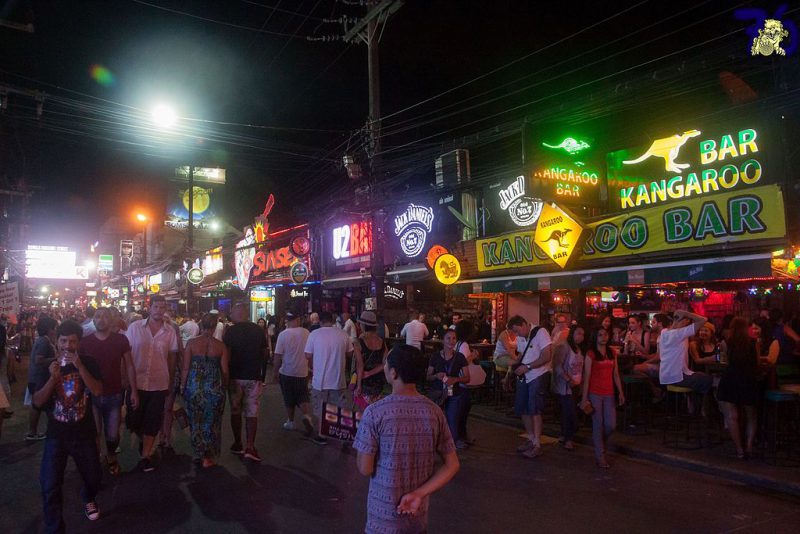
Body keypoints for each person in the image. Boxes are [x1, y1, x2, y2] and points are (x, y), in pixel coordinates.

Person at [354, 344, 460, 534]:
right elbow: (452, 465)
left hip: (382, 520)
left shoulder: (375, 412)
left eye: (386, 363)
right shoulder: (434, 411)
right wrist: (419, 493)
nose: (384, 367)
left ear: (393, 373)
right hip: (416, 517)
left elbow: (365, 468)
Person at [33, 320, 104, 530]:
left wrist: (80, 367)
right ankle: (55, 527)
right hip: (57, 435)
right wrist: (52, 379)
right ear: (57, 341)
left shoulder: (88, 362)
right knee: (49, 484)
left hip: (84, 433)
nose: (67, 346)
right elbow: (37, 402)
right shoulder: (49, 367)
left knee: (93, 477)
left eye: (72, 342)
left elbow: (98, 390)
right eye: (63, 341)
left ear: (79, 343)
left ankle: (88, 495)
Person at [78, 307, 137, 476]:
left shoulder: (120, 340)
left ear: (111, 320)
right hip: (91, 394)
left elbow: (130, 365)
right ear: (93, 320)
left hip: (114, 394)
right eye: (98, 316)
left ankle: (111, 456)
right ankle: (95, 460)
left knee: (112, 434)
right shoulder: (85, 342)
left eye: (105, 317)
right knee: (94, 431)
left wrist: (134, 391)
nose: (101, 319)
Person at [125, 295, 180, 472]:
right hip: (137, 383)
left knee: (153, 420)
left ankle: (146, 455)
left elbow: (172, 357)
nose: (159, 311)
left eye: (162, 307)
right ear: (149, 308)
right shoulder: (135, 328)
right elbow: (125, 355)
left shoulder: (169, 331)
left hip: (159, 383)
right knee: (134, 419)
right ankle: (144, 441)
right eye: (156, 307)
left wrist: (171, 380)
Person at [180, 314, 229, 468]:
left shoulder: (192, 344)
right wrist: (225, 386)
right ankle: (209, 455)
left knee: (196, 421)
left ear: (201, 326)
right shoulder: (220, 346)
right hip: (214, 389)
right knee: (212, 422)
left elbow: (186, 367)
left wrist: (182, 385)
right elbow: (225, 371)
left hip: (194, 387)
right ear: (215, 327)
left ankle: (200, 452)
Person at [223, 302, 268, 462]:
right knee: (252, 411)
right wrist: (261, 374)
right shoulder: (258, 330)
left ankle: (237, 443)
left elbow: (225, 356)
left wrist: (225, 376)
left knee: (235, 411)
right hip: (253, 376)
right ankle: (250, 446)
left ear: (238, 313)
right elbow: (264, 353)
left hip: (235, 377)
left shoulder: (230, 332)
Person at [304, 310, 353, 446]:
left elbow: (307, 355)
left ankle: (322, 435)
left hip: (320, 380)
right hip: (338, 379)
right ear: (332, 320)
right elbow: (350, 354)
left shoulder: (314, 334)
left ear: (320, 321)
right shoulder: (342, 334)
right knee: (339, 407)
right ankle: (343, 434)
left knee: (321, 408)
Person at [507, 315, 552, 459]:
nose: (517, 334)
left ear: (524, 324)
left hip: (537, 375)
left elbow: (546, 356)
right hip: (524, 377)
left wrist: (528, 367)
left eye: (517, 331)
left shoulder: (541, 333)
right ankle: (531, 439)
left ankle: (537, 444)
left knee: (535, 409)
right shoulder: (521, 337)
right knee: (523, 408)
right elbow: (521, 354)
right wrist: (511, 371)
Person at [580, 327, 624, 468]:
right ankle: (600, 455)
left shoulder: (612, 353)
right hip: (595, 393)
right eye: (600, 335)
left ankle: (600, 443)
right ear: (595, 337)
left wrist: (621, 392)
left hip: (609, 393)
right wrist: (584, 398)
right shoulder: (591, 354)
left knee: (611, 425)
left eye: (605, 334)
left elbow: (616, 374)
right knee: (598, 424)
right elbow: (586, 377)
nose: (603, 337)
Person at [717, 317, 759, 459]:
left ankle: (739, 450)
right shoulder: (754, 343)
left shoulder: (726, 343)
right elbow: (756, 363)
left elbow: (724, 361)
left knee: (731, 416)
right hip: (748, 380)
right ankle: (749, 446)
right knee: (751, 415)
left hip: (731, 379)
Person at [658, 309, 713, 413]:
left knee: (701, 377)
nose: (688, 323)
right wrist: (685, 313)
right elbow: (703, 320)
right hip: (677, 377)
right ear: (684, 321)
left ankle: (692, 406)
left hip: (666, 376)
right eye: (688, 320)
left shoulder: (664, 332)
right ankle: (700, 411)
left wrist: (679, 316)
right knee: (709, 380)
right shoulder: (679, 334)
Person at [427, 330, 471, 449]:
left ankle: (453, 441)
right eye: (448, 338)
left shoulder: (460, 357)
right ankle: (436, 442)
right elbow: (428, 376)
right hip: (438, 393)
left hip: (453, 392)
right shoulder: (435, 357)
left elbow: (467, 378)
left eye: (453, 338)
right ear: (442, 340)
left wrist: (455, 379)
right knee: (437, 419)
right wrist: (436, 376)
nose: (451, 341)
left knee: (452, 418)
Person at [272, 309, 314, 435]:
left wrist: (275, 372)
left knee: (289, 397)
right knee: (303, 395)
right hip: (302, 371)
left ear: (288, 321)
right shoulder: (307, 333)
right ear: (298, 320)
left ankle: (290, 421)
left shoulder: (283, 335)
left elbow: (278, 355)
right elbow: (311, 352)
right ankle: (306, 415)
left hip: (287, 371)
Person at [552, 324, 585, 451]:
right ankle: (568, 438)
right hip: (565, 386)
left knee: (569, 411)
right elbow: (558, 366)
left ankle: (565, 435)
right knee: (569, 412)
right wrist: (568, 379)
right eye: (578, 333)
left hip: (576, 384)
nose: (581, 337)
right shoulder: (564, 347)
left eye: (582, 334)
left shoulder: (578, 348)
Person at [27, 316, 58, 441]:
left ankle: (33, 432)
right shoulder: (44, 341)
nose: (56, 330)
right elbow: (38, 359)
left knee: (38, 406)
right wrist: (57, 359)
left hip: (37, 378)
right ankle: (33, 432)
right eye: (54, 327)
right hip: (39, 378)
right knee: (38, 406)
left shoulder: (43, 340)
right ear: (49, 329)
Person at [353, 311, 387, 410]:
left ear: (363, 325)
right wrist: (371, 373)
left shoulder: (358, 342)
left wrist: (358, 385)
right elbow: (385, 363)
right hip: (378, 382)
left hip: (364, 383)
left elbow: (360, 365)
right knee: (376, 410)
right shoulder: (382, 342)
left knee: (363, 412)